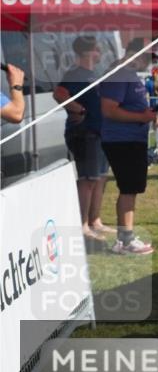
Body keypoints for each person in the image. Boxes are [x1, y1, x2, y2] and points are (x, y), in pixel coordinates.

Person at [99, 38, 157, 255]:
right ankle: (125, 241)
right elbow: (109, 110)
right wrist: (141, 116)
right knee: (129, 189)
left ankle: (125, 238)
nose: (147, 63)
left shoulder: (127, 74)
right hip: (122, 140)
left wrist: (144, 115)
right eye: (146, 57)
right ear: (135, 54)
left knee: (130, 189)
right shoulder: (119, 74)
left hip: (130, 139)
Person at [54, 36, 112, 242]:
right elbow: (59, 94)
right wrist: (78, 108)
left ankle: (95, 220)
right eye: (97, 49)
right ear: (89, 52)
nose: (100, 53)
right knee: (88, 180)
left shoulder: (91, 74)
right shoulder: (74, 73)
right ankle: (82, 225)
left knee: (100, 178)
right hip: (85, 133)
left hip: (99, 133)